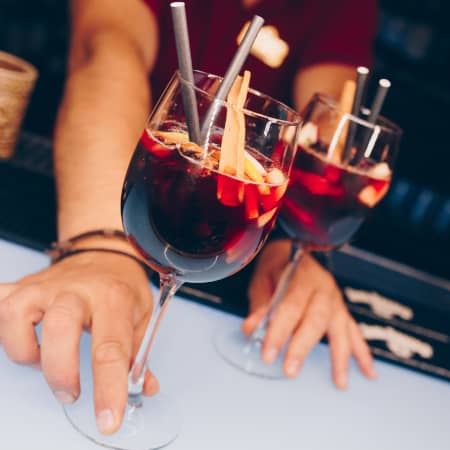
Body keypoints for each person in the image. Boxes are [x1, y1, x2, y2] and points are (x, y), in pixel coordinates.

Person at [0, 0, 377, 435]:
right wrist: (100, 243)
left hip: (221, 229)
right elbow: (106, 52)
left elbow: (327, 134)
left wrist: (293, 243)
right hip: (97, 189)